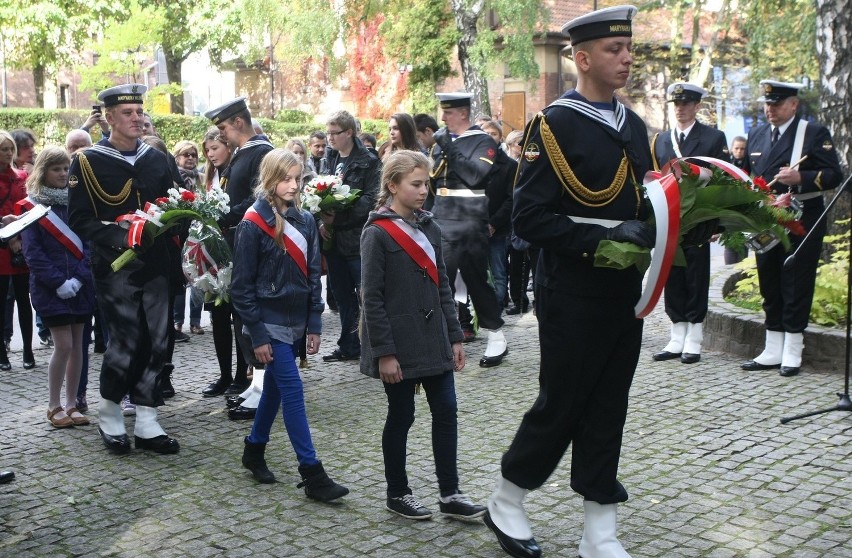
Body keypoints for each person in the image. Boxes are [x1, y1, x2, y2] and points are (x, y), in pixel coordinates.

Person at [483, 7, 656, 558]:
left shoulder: (633, 126)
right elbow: (529, 219)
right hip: (572, 287)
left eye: (627, 48)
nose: (626, 57)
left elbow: (645, 201)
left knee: (609, 405)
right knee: (564, 402)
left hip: (621, 288)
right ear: (582, 58)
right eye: (613, 49)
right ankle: (507, 498)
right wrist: (602, 237)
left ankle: (599, 531)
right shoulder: (553, 124)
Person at [360, 150, 486, 521]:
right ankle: (397, 492)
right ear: (393, 185)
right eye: (415, 184)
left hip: (433, 339)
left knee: (446, 410)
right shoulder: (376, 233)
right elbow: (372, 298)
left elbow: (442, 286)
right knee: (401, 415)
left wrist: (455, 336)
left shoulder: (430, 226)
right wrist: (384, 352)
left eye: (426, 183)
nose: (423, 190)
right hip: (398, 343)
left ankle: (450, 493)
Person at [231, 148, 349, 502]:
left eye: (298, 179)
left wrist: (314, 323)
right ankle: (312, 473)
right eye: (286, 178)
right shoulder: (252, 224)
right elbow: (241, 288)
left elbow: (314, 275)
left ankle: (253, 449)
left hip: (297, 320)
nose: (294, 185)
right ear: (269, 179)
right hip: (266, 322)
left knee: (277, 390)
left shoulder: (306, 221)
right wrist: (258, 334)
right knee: (293, 388)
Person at [68, 83, 179, 455]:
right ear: (110, 117)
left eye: (140, 111)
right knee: (126, 341)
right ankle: (111, 413)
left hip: (157, 264)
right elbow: (80, 219)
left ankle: (147, 420)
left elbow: (177, 202)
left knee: (158, 340)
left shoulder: (157, 158)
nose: (137, 118)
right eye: (128, 113)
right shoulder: (87, 161)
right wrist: (122, 235)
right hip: (116, 267)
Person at [740, 80, 841, 377]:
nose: (770, 109)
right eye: (767, 104)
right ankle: (772, 347)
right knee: (769, 280)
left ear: (793, 105)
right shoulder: (756, 134)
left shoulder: (812, 133)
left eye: (777, 104)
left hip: (803, 217)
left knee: (795, 279)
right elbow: (747, 174)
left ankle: (793, 348)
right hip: (766, 217)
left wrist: (802, 178)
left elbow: (835, 174)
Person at [650, 83, 728, 365]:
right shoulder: (661, 140)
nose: (680, 109)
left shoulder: (712, 137)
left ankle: (694, 336)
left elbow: (723, 181)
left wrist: (719, 224)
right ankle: (676, 333)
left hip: (699, 215)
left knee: (695, 274)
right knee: (672, 274)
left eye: (686, 104)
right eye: (677, 104)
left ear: (697, 106)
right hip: (670, 217)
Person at [429, 92, 508, 367]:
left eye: (448, 113)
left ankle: (496, 334)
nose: (442, 118)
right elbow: (433, 180)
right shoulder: (443, 143)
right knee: (441, 281)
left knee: (476, 280)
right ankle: (443, 338)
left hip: (470, 219)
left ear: (462, 113)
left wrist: (449, 149)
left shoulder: (482, 141)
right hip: (442, 217)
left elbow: (475, 175)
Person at [202, 97, 274, 397]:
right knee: (235, 312)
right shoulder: (242, 155)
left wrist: (224, 214)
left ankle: (257, 383)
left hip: (252, 242)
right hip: (235, 242)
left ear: (239, 123)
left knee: (248, 314)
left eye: (223, 128)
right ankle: (248, 381)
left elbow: (263, 197)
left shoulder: (263, 153)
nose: (222, 135)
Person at [21, 147, 96, 428]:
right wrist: (59, 282)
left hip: (81, 286)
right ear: (43, 171)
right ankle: (53, 405)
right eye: (57, 169)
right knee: (63, 345)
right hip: (50, 288)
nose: (63, 174)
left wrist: (78, 278)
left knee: (79, 346)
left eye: (66, 168)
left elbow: (88, 243)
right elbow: (33, 252)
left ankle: (72, 403)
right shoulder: (32, 206)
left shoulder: (78, 201)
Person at [318, 110, 381, 362]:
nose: (330, 138)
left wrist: (340, 218)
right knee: (342, 295)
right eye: (328, 133)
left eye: (335, 133)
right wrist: (321, 219)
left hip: (357, 239)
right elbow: (316, 191)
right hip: (333, 240)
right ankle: (349, 344)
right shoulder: (329, 158)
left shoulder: (369, 161)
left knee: (367, 294)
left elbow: (371, 199)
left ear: (350, 133)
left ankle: (375, 346)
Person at [0, 130, 35, 371]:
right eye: (4, 149)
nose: (9, 153)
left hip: (20, 244)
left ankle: (28, 350)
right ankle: (2, 352)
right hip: (2, 244)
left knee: (25, 299)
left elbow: (28, 209)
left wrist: (19, 233)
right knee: (2, 301)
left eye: (10, 149)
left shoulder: (22, 176)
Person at [171, 140, 204, 337]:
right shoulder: (174, 180)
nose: (190, 158)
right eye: (186, 155)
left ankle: (196, 321)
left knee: (198, 279)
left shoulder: (202, 178)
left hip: (198, 232)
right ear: (177, 158)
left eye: (193, 155)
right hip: (180, 233)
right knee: (181, 279)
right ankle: (178, 321)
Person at [480, 120, 515, 309]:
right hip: (475, 228)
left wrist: (493, 224)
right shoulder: (473, 162)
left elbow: (511, 199)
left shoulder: (509, 165)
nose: (489, 137)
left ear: (500, 137)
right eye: (485, 133)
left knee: (498, 271)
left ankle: (495, 308)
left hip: (498, 228)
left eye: (493, 133)